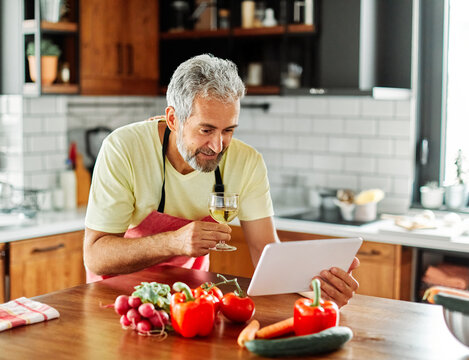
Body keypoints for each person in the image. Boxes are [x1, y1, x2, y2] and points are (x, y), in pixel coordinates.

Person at [83, 54, 359, 308]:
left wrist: (316, 286)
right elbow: (95, 256)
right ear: (173, 119)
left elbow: (265, 249)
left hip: (189, 298)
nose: (217, 146)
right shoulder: (123, 148)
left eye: (228, 130)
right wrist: (174, 242)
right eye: (206, 129)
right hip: (118, 299)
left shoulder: (247, 162)